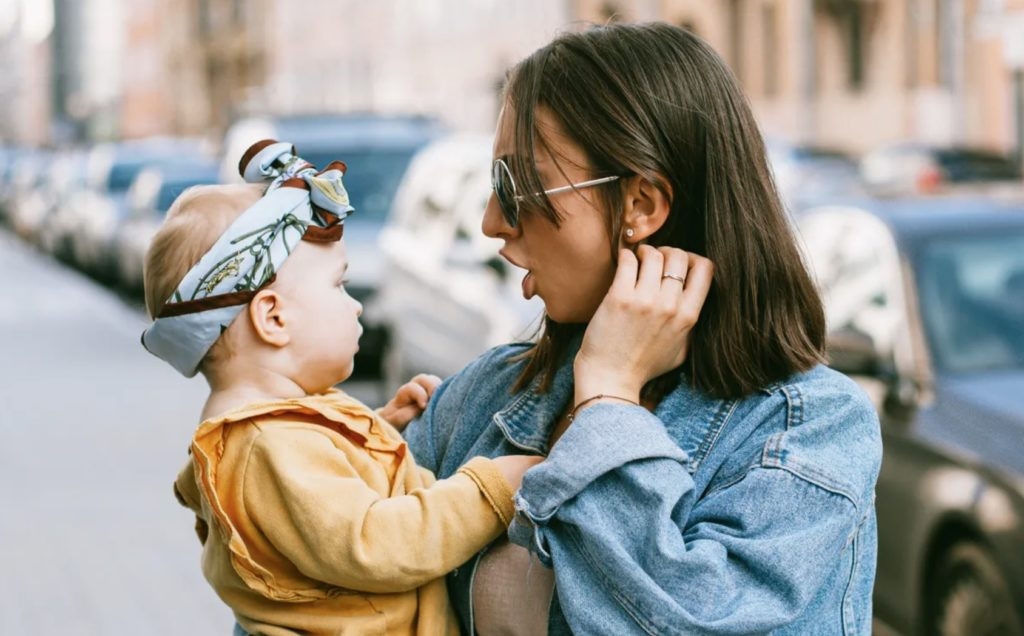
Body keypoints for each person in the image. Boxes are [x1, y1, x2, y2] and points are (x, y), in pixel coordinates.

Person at [402, 22, 883, 635]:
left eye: (515, 185)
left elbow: (689, 623)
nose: (493, 220)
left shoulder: (810, 428)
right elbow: (313, 593)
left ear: (641, 204)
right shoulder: (483, 397)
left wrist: (607, 396)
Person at [141, 140, 541, 635]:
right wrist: (493, 487)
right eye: (338, 286)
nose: (355, 306)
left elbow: (323, 495)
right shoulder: (267, 449)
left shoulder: (271, 433)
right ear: (273, 317)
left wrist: (372, 429)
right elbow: (379, 544)